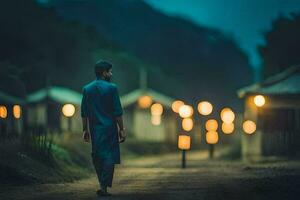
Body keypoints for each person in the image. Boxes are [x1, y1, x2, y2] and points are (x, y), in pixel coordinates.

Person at [81, 60, 126, 197]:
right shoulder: (112, 88)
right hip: (109, 129)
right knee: (109, 157)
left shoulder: (87, 89)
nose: (111, 74)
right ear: (104, 72)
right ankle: (104, 186)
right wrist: (121, 129)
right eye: (110, 71)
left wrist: (85, 130)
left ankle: (102, 184)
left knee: (97, 156)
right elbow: (117, 112)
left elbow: (84, 112)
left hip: (95, 130)